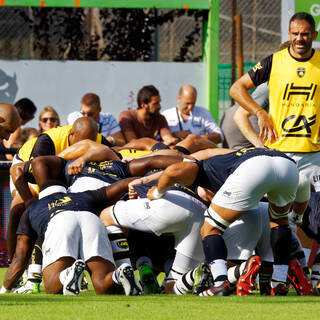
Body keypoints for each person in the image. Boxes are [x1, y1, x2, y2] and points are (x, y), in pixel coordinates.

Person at [146, 147, 299, 296]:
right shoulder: (221, 161)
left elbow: (174, 171)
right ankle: (279, 282)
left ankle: (220, 283)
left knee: (209, 229)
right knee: (279, 223)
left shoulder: (201, 168)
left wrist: (157, 191)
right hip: (288, 165)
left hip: (253, 168)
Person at [0, 178, 142, 296]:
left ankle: (68, 274)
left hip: (59, 222)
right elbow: (119, 186)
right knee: (101, 283)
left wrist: (5, 289)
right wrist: (143, 180)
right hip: (91, 219)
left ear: (41, 194)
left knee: (51, 286)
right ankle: (118, 275)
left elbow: (21, 256)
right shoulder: (84, 195)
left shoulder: (34, 206)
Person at [220, 83, 269, 149]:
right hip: (245, 151)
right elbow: (239, 116)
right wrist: (261, 147)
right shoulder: (267, 88)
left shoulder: (231, 110)